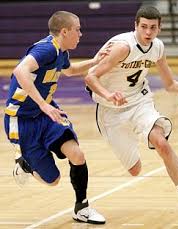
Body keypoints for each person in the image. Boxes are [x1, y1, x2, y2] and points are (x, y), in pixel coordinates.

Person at [85, 6, 178, 224]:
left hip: (140, 101)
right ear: (135, 26)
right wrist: (108, 94)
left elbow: (169, 85)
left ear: (159, 28)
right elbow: (90, 77)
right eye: (143, 27)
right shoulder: (123, 47)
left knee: (161, 143)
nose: (148, 32)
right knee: (135, 170)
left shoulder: (158, 47)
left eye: (153, 28)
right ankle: (134, 137)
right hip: (110, 111)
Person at [4, 11, 108, 224]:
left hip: (47, 113)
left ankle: (82, 208)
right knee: (53, 181)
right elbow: (20, 71)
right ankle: (24, 162)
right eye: (77, 29)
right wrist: (42, 104)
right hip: (21, 119)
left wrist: (96, 60)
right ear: (64, 31)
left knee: (77, 155)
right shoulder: (46, 49)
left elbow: (70, 71)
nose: (81, 34)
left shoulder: (61, 52)